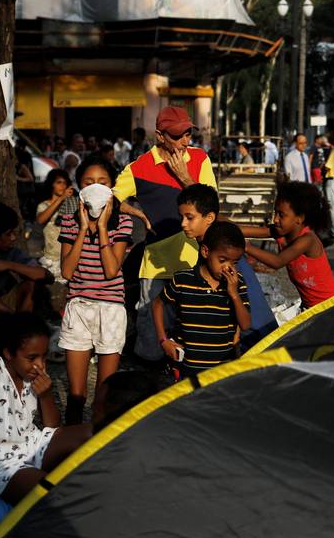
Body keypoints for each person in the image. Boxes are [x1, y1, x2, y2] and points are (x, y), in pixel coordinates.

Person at [112, 106, 217, 361]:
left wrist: (184, 177)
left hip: (195, 260)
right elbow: (111, 199)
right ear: (160, 135)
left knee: (194, 332)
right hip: (156, 262)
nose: (185, 141)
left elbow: (212, 205)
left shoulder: (199, 158)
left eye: (188, 134)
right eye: (177, 135)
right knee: (151, 340)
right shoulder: (139, 167)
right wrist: (138, 214)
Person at [0, 313, 91, 505]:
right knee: (52, 494)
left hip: (31, 442)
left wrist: (46, 395)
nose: (40, 365)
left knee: (94, 433)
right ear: (8, 353)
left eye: (43, 357)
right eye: (32, 357)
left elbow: (52, 426)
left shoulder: (32, 372)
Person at [58, 155, 133, 425]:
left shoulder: (123, 222)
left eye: (102, 182)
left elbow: (112, 270)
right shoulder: (68, 221)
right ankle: (71, 446)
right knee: (76, 396)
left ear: (112, 187)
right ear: (79, 186)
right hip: (78, 307)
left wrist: (101, 228)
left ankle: (99, 445)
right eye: (88, 182)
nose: (95, 187)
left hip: (111, 310)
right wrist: (81, 230)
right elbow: (67, 271)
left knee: (105, 392)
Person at [176, 184, 277, 346]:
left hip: (252, 330)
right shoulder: (219, 240)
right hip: (257, 326)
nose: (183, 224)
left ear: (209, 218)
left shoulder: (216, 252)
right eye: (181, 217)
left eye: (189, 218)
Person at [152, 221, 251, 380]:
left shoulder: (236, 283)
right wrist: (163, 340)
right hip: (186, 369)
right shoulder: (183, 279)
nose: (228, 268)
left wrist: (233, 294)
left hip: (222, 370)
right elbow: (157, 304)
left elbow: (245, 324)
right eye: (223, 260)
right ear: (205, 252)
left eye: (234, 263)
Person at [240, 182, 334, 310]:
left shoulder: (307, 240)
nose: (275, 219)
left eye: (281, 215)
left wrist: (247, 247)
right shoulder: (281, 232)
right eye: (275, 213)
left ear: (299, 218)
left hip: (331, 305)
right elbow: (243, 230)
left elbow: (277, 261)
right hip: (311, 307)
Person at [35, 169, 78, 280]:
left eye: (65, 183)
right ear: (51, 184)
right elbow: (40, 220)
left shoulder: (71, 204)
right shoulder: (43, 205)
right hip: (50, 258)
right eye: (59, 182)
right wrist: (60, 199)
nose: (62, 186)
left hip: (68, 257)